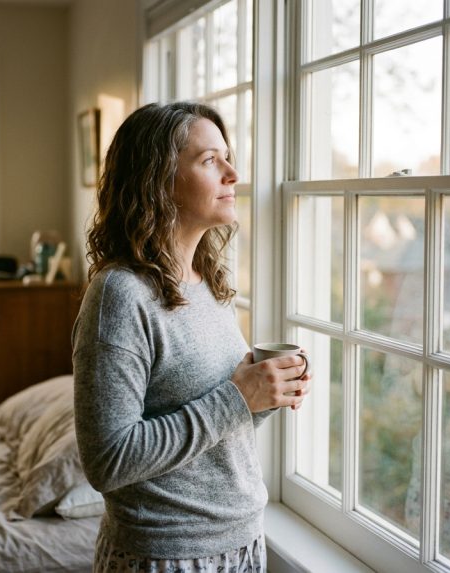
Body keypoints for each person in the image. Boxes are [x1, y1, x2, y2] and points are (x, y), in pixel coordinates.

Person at [72, 101, 311, 572]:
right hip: (166, 555)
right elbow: (108, 461)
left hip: (243, 543)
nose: (233, 174)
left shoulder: (208, 281)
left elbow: (217, 427)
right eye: (209, 160)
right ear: (158, 181)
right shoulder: (119, 296)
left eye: (228, 157)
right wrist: (238, 398)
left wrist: (266, 393)